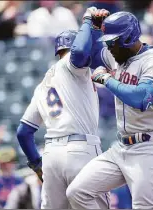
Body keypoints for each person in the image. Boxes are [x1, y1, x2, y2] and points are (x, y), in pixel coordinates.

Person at [66, 10, 153, 209]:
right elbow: (83, 53)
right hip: (121, 147)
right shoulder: (118, 53)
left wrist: (107, 80)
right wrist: (91, 26)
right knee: (77, 192)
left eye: (112, 42)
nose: (109, 47)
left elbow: (142, 98)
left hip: (148, 149)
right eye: (108, 43)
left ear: (129, 38)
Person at [16, 8, 110, 208]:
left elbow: (23, 133)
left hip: (51, 155)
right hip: (81, 149)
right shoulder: (72, 64)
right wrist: (86, 22)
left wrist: (37, 164)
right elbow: (80, 53)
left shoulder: (42, 86)